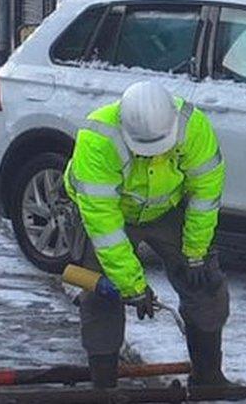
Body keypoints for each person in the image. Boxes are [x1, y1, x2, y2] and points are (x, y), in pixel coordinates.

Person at [64, 80, 229, 388]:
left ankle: (209, 376)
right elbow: (106, 228)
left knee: (205, 281)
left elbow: (205, 196)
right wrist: (132, 286)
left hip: (166, 207)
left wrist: (195, 254)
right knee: (101, 293)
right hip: (111, 212)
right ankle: (105, 386)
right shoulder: (97, 140)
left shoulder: (193, 128)